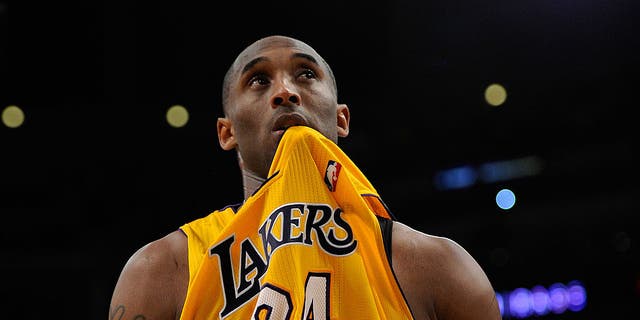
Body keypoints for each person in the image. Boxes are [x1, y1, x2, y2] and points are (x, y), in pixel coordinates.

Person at [109, 34, 502, 320]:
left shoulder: (435, 265)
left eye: (305, 75)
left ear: (341, 119)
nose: (285, 91)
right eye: (259, 80)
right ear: (226, 132)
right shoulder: (165, 269)